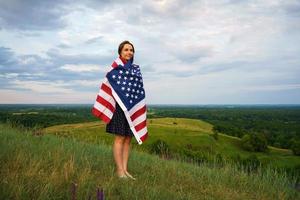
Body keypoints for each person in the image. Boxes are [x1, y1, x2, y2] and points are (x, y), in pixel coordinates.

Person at [105, 40, 137, 180]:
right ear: (120, 52)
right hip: (119, 107)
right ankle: (119, 171)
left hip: (131, 107)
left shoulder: (135, 69)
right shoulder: (115, 69)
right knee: (120, 138)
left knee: (128, 138)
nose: (129, 52)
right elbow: (108, 87)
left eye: (131, 50)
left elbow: (137, 90)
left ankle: (125, 170)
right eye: (126, 50)